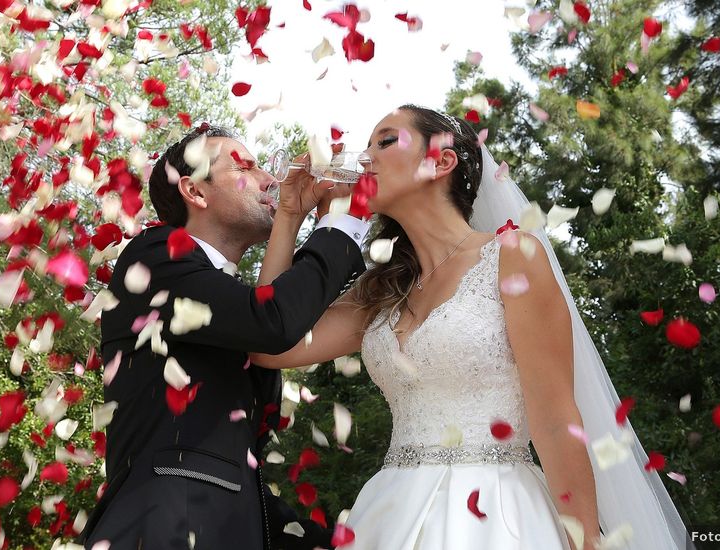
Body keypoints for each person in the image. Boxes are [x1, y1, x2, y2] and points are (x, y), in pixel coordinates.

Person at [250, 106, 693, 550]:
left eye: (384, 141)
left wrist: (586, 544)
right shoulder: (380, 290)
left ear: (442, 162)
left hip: (499, 517)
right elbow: (272, 344)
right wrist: (289, 214)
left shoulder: (512, 256)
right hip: (390, 517)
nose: (365, 158)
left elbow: (556, 420)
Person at [77, 123, 371, 549]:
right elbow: (272, 321)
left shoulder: (226, 305)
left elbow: (234, 467)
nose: (269, 178)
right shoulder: (157, 255)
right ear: (195, 192)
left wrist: (290, 213)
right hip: (166, 528)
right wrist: (344, 225)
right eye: (246, 167)